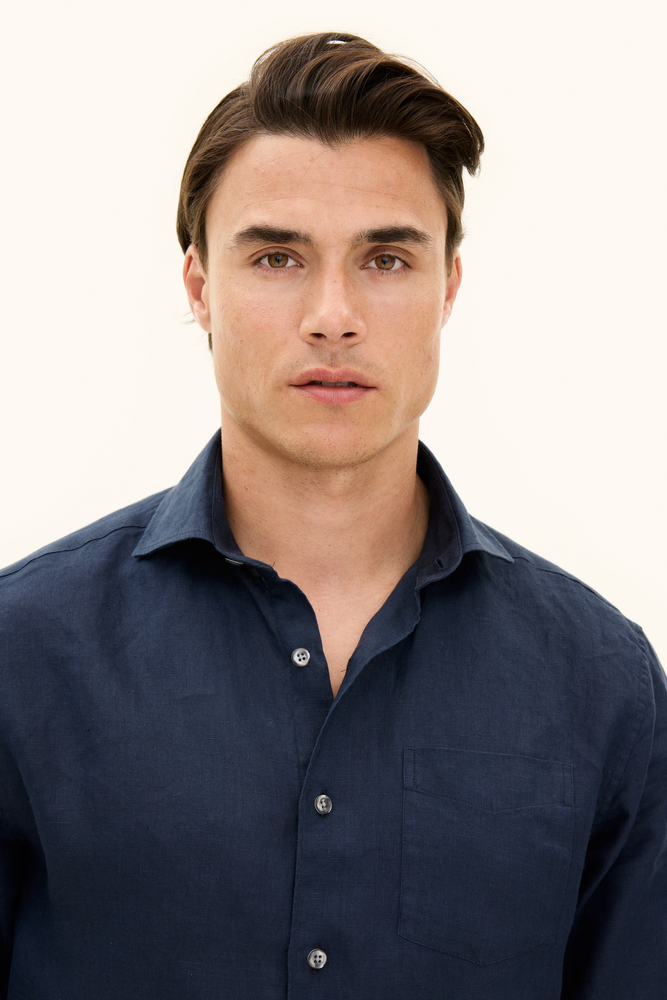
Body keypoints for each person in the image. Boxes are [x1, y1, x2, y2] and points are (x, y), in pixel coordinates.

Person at [0, 30, 664, 1000]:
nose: (332, 314)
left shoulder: (601, 683)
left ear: (447, 288)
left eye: (385, 259)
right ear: (200, 288)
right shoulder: (23, 653)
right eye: (276, 256)